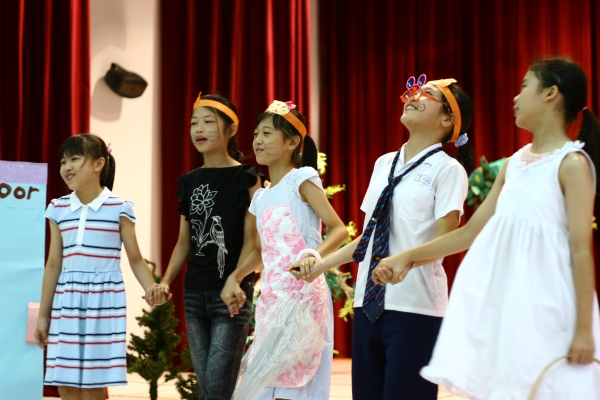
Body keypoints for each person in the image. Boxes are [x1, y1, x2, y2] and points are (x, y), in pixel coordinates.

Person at [374, 58, 600, 399]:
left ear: (551, 94)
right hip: (507, 300)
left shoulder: (572, 163)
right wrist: (405, 257)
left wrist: (584, 330)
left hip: (548, 302)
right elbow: (468, 233)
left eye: (525, 86)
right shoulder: (515, 163)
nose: (516, 97)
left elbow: (581, 250)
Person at [288, 75, 475, 399]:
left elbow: (445, 242)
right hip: (368, 303)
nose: (414, 96)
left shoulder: (448, 170)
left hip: (415, 306)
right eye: (414, 90)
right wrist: (320, 265)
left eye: (427, 93)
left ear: (448, 119)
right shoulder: (383, 163)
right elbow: (368, 238)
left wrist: (404, 262)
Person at [226, 100, 347, 400]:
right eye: (256, 134)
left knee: (293, 387)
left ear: (292, 142)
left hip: (304, 298)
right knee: (263, 388)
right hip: (272, 299)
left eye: (267, 133)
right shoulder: (261, 197)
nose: (258, 140)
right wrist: (235, 277)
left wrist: (313, 256)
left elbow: (339, 229)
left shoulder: (300, 180)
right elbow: (259, 251)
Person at [35, 133, 165, 400]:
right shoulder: (57, 208)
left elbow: (136, 259)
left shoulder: (120, 208)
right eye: (63, 161)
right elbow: (53, 265)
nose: (67, 167)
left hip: (104, 302)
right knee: (65, 385)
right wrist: (43, 315)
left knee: (94, 386)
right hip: (66, 301)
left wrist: (151, 288)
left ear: (98, 163)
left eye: (75, 159)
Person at [156, 93, 264, 400]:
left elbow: (254, 244)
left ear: (231, 130)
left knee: (217, 389)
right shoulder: (189, 181)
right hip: (194, 293)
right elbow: (183, 243)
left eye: (208, 122)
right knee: (206, 390)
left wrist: (236, 279)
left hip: (231, 295)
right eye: (194, 123)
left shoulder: (247, 178)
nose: (198, 129)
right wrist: (165, 281)